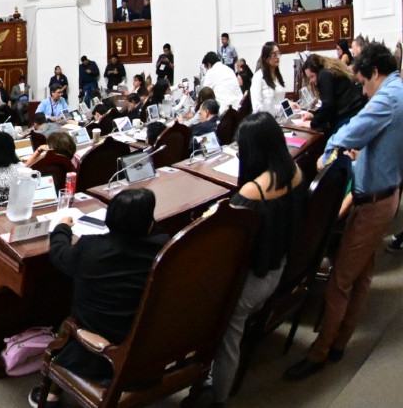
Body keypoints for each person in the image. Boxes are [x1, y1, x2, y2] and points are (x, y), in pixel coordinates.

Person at [286, 43, 403, 380]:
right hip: (384, 195)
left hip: (374, 203)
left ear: (375, 73)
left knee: (339, 281)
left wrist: (331, 151)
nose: (363, 92)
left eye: (363, 83)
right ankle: (339, 342)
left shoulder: (388, 97)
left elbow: (352, 130)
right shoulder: (397, 87)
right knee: (361, 275)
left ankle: (320, 351)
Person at [184, 113, 305, 404]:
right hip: (281, 263)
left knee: (226, 328)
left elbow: (225, 236)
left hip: (256, 280)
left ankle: (217, 394)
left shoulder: (254, 191)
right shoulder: (294, 170)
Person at [28, 188, 167, 407]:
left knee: (67, 324)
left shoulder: (91, 248)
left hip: (101, 342)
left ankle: (52, 393)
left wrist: (62, 227)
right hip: (146, 338)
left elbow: (59, 255)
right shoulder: (164, 248)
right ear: (149, 223)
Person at [298, 54, 364, 134]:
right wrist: (314, 115)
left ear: (317, 71)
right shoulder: (329, 71)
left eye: (312, 77)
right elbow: (330, 102)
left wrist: (312, 124)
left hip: (347, 116)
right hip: (354, 112)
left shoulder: (324, 75)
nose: (311, 81)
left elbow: (328, 105)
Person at [251, 42, 288, 115]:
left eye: (278, 53)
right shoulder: (259, 77)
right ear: (266, 58)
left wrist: (289, 104)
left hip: (280, 117)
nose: (277, 57)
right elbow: (257, 107)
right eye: (274, 54)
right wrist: (281, 107)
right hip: (265, 118)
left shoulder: (277, 75)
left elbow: (279, 99)